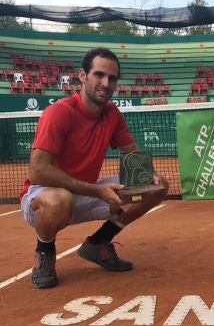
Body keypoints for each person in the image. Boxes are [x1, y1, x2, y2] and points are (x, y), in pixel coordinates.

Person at [20, 47, 168, 289]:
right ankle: (44, 252)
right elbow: (38, 172)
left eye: (112, 78)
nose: (106, 82)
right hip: (43, 198)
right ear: (82, 76)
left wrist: (144, 177)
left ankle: (99, 243)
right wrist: (98, 191)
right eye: (99, 74)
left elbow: (132, 156)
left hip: (85, 194)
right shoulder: (58, 113)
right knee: (60, 199)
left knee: (158, 184)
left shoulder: (111, 113)